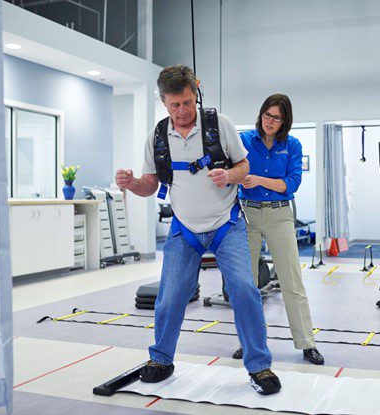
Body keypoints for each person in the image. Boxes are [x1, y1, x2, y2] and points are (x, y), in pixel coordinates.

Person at [115, 65, 281, 395]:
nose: (182, 111)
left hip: (226, 224)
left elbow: (244, 165)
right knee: (169, 298)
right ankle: (161, 359)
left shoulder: (221, 126)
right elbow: (151, 184)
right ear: (164, 101)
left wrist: (230, 176)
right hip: (184, 229)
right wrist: (132, 183)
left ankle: (259, 366)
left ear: (196, 94)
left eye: (188, 103)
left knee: (245, 291)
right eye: (175, 105)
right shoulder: (157, 137)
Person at [234, 94, 325, 365]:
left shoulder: (292, 145)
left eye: (276, 117)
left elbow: (292, 183)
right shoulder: (244, 140)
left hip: (279, 215)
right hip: (246, 213)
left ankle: (307, 344)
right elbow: (230, 169)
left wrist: (260, 180)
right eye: (266, 115)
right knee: (245, 284)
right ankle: (249, 344)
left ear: (284, 121)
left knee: (292, 282)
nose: (269, 121)